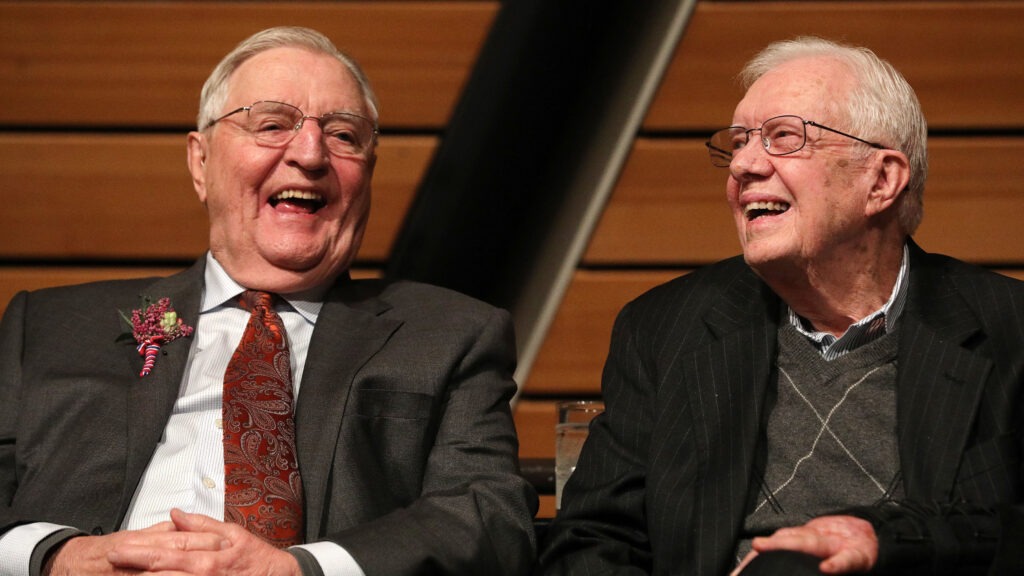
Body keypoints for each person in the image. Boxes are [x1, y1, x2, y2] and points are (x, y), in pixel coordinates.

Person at [0, 26, 537, 576]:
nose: (310, 154)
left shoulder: (450, 335)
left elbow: (489, 517)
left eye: (345, 136)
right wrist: (57, 558)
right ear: (200, 162)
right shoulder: (48, 326)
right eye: (272, 124)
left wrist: (298, 571)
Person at [538, 36, 1024, 575]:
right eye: (740, 142)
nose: (743, 165)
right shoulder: (664, 326)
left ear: (881, 180)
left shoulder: (1009, 327)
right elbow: (595, 538)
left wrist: (887, 539)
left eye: (782, 138)